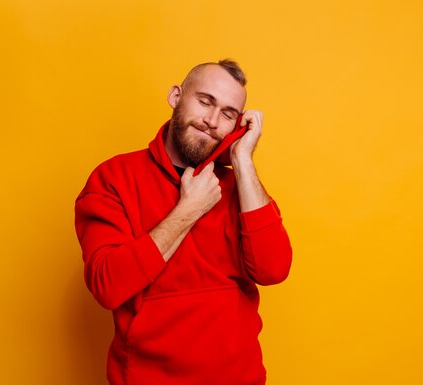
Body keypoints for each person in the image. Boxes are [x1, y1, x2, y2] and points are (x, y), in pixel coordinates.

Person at [74, 59, 292, 385]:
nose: (212, 121)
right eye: (205, 101)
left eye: (229, 113)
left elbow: (274, 269)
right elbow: (107, 286)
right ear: (176, 96)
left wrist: (243, 161)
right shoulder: (113, 178)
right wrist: (188, 209)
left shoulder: (241, 188)